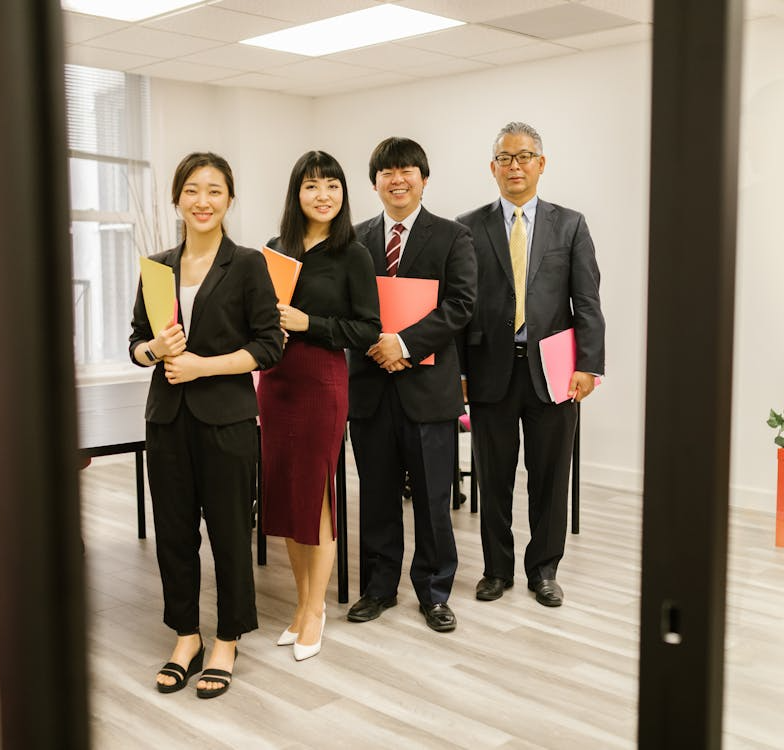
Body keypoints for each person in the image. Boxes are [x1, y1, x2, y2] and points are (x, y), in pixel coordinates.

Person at [128, 152, 283, 698]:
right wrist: (152, 349)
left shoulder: (247, 265)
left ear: (229, 200)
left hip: (227, 420)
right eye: (192, 190)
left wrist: (201, 365)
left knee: (228, 535)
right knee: (173, 536)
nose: (202, 201)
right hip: (167, 420)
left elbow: (269, 346)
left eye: (214, 191)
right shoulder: (156, 266)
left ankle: (227, 638)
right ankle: (186, 635)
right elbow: (135, 341)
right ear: (177, 199)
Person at [456, 122, 605, 608]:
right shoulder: (468, 227)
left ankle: (543, 569)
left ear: (542, 164)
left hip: (555, 374)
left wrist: (589, 365)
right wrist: (457, 370)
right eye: (504, 158)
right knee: (492, 479)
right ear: (493, 167)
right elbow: (459, 305)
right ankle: (496, 571)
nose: (514, 166)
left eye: (523, 157)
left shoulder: (571, 224)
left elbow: (586, 301)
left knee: (549, 477)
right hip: (488, 372)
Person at [345, 137, 476, 633]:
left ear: (423, 177)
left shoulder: (452, 236)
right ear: (375, 182)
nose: (397, 180)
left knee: (432, 500)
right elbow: (343, 308)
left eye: (407, 171)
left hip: (428, 391)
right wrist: (377, 346)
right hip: (370, 388)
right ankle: (378, 588)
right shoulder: (353, 240)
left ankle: (435, 590)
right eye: (387, 172)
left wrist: (402, 344)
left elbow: (460, 306)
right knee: (376, 496)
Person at [258, 151, 380, 661]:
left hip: (324, 381)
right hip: (276, 381)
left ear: (343, 194)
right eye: (312, 186)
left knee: (318, 497)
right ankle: (300, 604)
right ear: (297, 194)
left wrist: (311, 324)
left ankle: (314, 611)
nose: (324, 195)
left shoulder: (353, 253)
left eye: (332, 185)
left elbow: (367, 328)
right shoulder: (272, 250)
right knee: (287, 499)